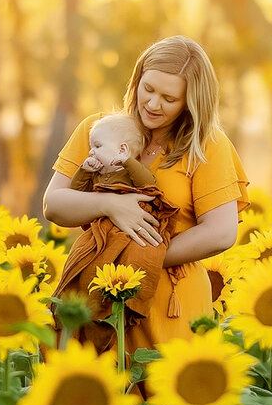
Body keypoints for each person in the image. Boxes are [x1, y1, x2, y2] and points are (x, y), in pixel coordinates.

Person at [43, 36, 249, 354]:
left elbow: (220, 232)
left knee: (162, 394)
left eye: (169, 98)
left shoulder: (207, 146)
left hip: (171, 302)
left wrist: (136, 263)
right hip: (97, 290)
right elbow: (54, 205)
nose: (153, 104)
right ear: (137, 79)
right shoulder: (97, 130)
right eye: (148, 89)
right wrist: (110, 204)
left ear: (191, 102)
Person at [52, 113, 174, 353]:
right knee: (81, 272)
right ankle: (81, 317)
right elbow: (77, 193)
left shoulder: (131, 170)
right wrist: (85, 171)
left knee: (129, 267)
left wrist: (126, 161)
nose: (91, 152)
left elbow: (148, 181)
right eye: (91, 147)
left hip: (128, 233)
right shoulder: (98, 172)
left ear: (122, 149)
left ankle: (115, 314)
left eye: (97, 146)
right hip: (100, 233)